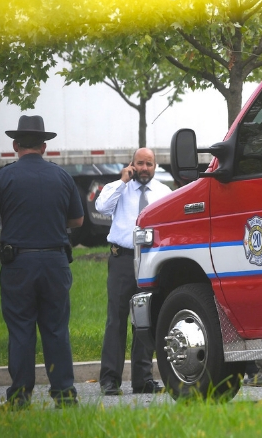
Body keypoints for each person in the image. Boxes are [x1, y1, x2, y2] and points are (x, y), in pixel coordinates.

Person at [0, 115, 83, 410]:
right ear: (44, 146)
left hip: (18, 263)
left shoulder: (4, 176)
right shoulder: (62, 176)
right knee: (56, 329)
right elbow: (77, 219)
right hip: (55, 261)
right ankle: (64, 393)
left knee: (21, 329)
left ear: (15, 144)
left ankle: (20, 397)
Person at [94, 147, 171, 395]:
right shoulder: (119, 188)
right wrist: (122, 180)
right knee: (116, 320)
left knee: (145, 320)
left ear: (155, 166)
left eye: (149, 164)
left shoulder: (163, 192)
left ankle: (143, 379)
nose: (144, 168)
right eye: (140, 163)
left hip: (151, 262)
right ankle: (109, 379)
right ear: (131, 164)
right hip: (123, 260)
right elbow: (102, 207)